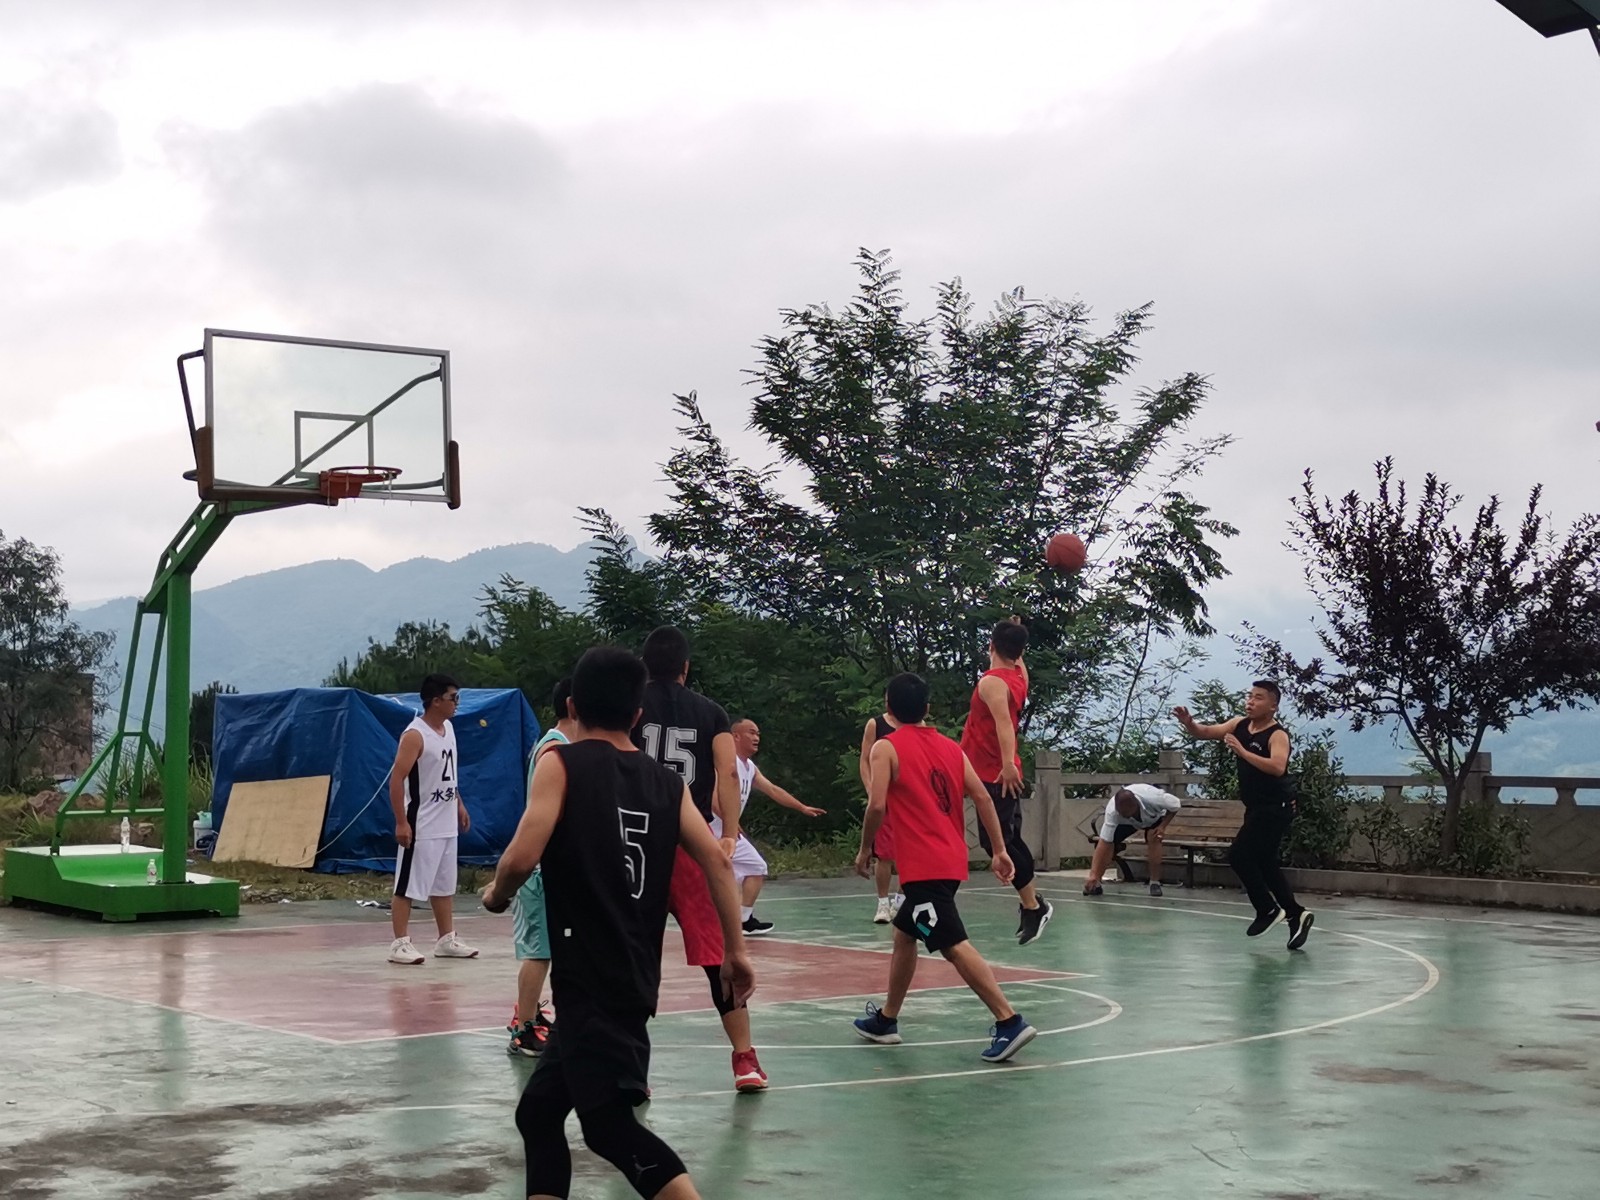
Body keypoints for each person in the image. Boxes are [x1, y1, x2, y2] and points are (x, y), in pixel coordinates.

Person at [482, 645, 755, 1200]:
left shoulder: (561, 763)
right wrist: (736, 951)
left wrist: (496, 894)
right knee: (538, 1114)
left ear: (573, 707)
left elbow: (520, 857)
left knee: (608, 1127)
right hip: (629, 975)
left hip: (591, 980)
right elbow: (718, 863)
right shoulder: (667, 783)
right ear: (637, 715)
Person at [851, 672, 1037, 1063]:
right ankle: (887, 1019)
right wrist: (999, 850)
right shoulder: (951, 748)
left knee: (951, 943)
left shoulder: (885, 747)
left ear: (887, 707)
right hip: (950, 860)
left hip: (924, 866)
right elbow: (983, 798)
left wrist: (866, 847)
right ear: (927, 708)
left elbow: (877, 804)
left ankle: (1009, 1020)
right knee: (905, 933)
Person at [634, 625, 769, 1092]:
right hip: (691, 845)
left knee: (635, 956)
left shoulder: (631, 706)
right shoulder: (710, 713)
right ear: (686, 668)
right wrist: (729, 833)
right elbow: (728, 771)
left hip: (638, 846)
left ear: (644, 666)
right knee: (720, 955)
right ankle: (745, 1060)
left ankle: (631, 1065)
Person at [1174, 681, 1313, 950]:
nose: (1250, 701)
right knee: (1265, 862)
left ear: (1273, 706)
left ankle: (1267, 909)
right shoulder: (1239, 725)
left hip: (1276, 807)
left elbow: (1277, 767)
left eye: (1258, 698)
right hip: (1257, 808)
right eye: (1249, 696)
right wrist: (1189, 723)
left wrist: (1242, 752)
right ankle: (1296, 913)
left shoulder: (1277, 735)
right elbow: (1205, 732)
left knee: (1239, 855)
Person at [960, 618, 1052, 945]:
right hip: (992, 770)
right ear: (1020, 651)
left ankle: (1034, 906)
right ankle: (1031, 904)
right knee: (1008, 839)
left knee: (998, 843)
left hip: (994, 773)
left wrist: (1007, 764)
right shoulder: (1018, 677)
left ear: (991, 645)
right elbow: (1019, 662)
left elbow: (1003, 724)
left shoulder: (992, 683)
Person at [506, 677, 577, 1057]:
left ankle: (531, 1013)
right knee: (538, 952)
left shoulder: (560, 745)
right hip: (540, 871)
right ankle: (523, 1027)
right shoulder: (555, 748)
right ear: (574, 705)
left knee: (549, 950)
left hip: (555, 869)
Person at [387, 674, 478, 964]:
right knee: (408, 885)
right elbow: (396, 779)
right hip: (422, 823)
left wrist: (459, 803)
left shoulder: (448, 729)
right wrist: (402, 822)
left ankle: (446, 938)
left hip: (445, 822)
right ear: (436, 701)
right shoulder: (415, 735)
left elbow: (447, 775)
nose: (457, 704)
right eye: (453, 698)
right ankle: (400, 943)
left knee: (444, 884)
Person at [722, 718, 825, 935]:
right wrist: (730, 819)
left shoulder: (750, 768)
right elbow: (712, 794)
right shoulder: (726, 762)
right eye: (751, 732)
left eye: (758, 733)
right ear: (735, 736)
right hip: (713, 828)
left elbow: (773, 789)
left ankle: (743, 920)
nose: (756, 737)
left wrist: (801, 807)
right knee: (709, 875)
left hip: (730, 831)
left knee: (756, 867)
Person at [1081, 784, 1183, 897]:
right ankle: (1096, 882)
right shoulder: (1112, 811)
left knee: (1154, 838)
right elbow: (1105, 842)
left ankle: (1155, 882)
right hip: (1129, 824)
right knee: (1109, 843)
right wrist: (1093, 874)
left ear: (1135, 804)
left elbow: (1176, 805)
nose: (1125, 815)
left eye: (1128, 813)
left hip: (1154, 818)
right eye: (1122, 813)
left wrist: (1162, 826)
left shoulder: (1155, 798)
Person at [859, 709, 903, 924]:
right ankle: (883, 903)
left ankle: (901, 901)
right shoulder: (875, 725)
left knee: (909, 852)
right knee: (884, 854)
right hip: (884, 798)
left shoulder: (916, 725)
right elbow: (864, 759)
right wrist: (872, 789)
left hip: (907, 799)